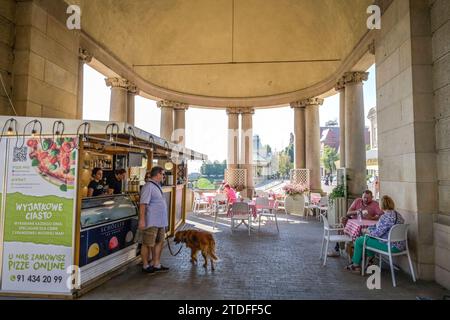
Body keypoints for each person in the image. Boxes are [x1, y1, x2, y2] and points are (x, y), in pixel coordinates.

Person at [346, 195, 405, 273]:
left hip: (389, 246)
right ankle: (370, 261)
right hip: (401, 245)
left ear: (381, 205)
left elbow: (376, 234)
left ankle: (356, 265)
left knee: (359, 240)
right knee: (365, 238)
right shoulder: (398, 215)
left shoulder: (385, 217)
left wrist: (367, 231)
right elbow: (382, 228)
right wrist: (369, 229)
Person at [328, 190, 383, 257]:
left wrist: (371, 218)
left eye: (368, 198)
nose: (365, 199)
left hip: (367, 226)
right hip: (354, 221)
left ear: (372, 197)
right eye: (364, 197)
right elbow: (348, 213)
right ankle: (338, 249)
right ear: (362, 196)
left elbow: (381, 215)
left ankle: (359, 251)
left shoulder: (375, 204)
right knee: (343, 220)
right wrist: (357, 211)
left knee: (364, 232)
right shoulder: (358, 201)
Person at [139, 166, 170, 274]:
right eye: (162, 174)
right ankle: (145, 265)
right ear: (157, 174)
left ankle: (156, 264)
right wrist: (142, 220)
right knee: (147, 243)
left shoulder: (157, 185)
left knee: (159, 242)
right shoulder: (148, 186)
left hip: (160, 221)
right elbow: (143, 204)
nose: (163, 176)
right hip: (151, 220)